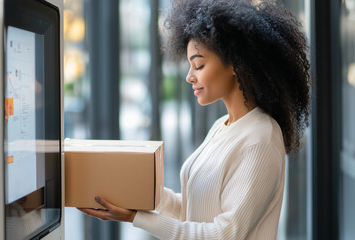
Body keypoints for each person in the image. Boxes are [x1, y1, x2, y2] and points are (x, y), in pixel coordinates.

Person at [78, 0, 311, 239]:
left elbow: (224, 234)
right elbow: (192, 209)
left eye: (198, 64)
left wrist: (135, 218)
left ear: (236, 63)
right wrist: (135, 195)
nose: (190, 76)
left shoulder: (260, 139)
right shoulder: (222, 127)